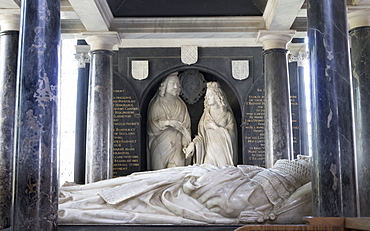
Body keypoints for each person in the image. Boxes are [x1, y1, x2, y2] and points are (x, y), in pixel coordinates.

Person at [58, 156, 312, 225]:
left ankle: (75, 200)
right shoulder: (268, 179)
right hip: (188, 179)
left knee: (131, 193)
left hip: (181, 193)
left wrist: (200, 179)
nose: (300, 156)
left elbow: (222, 202)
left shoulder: (268, 191)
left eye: (304, 160)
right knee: (135, 180)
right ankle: (79, 193)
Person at [185, 82, 237, 166]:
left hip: (222, 153)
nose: (207, 98)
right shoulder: (205, 116)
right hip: (209, 152)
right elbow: (201, 137)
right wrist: (193, 144)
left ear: (217, 96)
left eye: (210, 95)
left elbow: (233, 136)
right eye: (207, 95)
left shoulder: (226, 115)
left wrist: (216, 128)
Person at [147, 72, 191, 170]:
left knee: (177, 175)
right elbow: (151, 127)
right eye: (172, 84)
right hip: (161, 146)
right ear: (164, 86)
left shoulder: (181, 105)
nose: (176, 86)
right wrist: (168, 123)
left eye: (178, 84)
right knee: (160, 176)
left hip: (178, 146)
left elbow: (186, 127)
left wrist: (185, 144)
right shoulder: (157, 104)